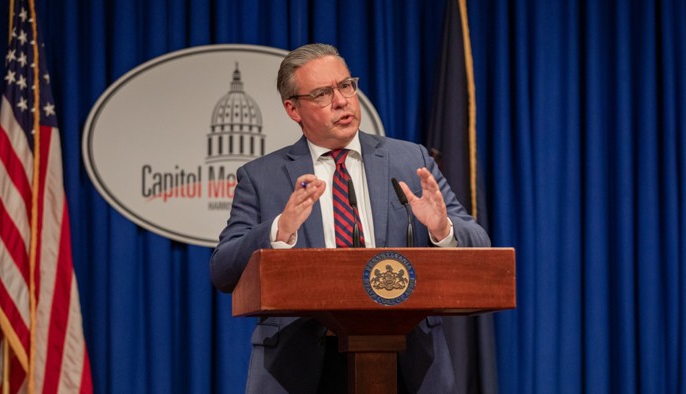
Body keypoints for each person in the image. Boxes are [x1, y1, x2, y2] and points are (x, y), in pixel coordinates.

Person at [210, 43, 490, 393]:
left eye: (346, 85)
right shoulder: (261, 176)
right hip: (301, 366)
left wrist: (441, 228)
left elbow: (479, 243)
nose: (342, 100)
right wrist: (278, 231)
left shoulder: (408, 159)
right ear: (293, 109)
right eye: (323, 93)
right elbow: (223, 271)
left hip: (406, 360)